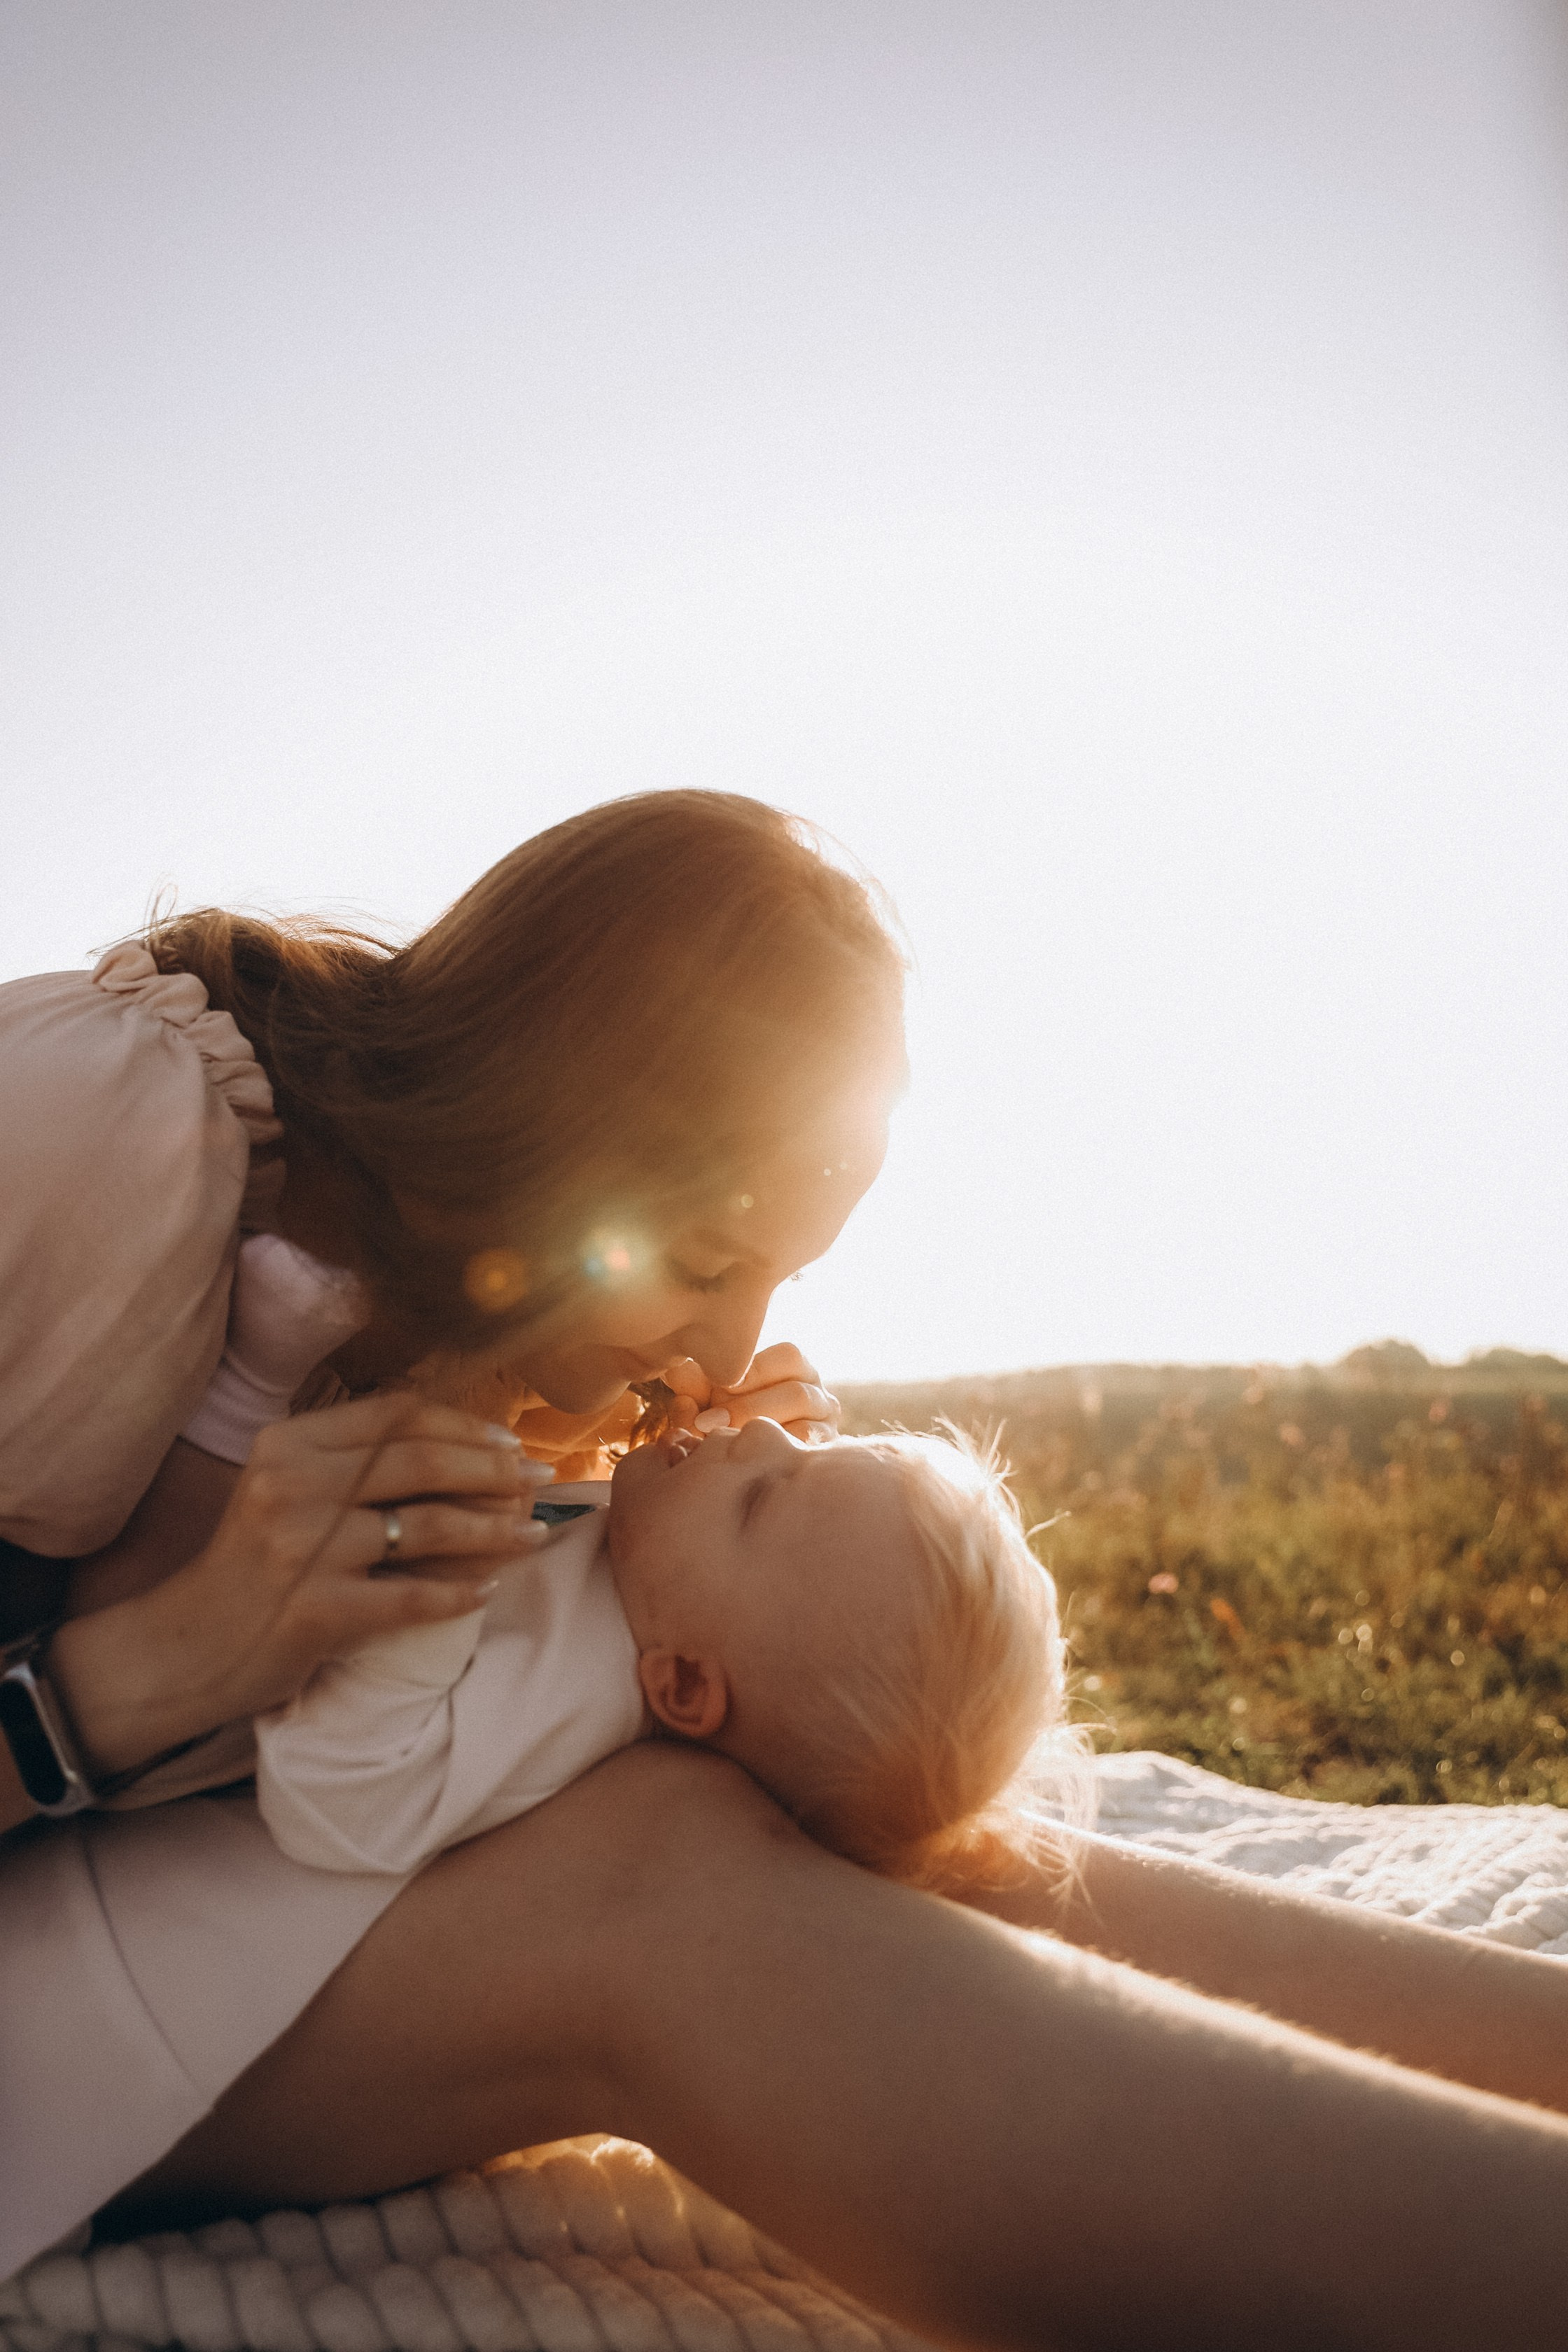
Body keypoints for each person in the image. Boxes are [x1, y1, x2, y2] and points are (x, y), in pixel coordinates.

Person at [4, 790, 1568, 2351]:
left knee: (867, 1801)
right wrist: (153, 1671)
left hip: (180, 1890)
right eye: (702, 1262)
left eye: (775, 1277)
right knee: (662, 1895)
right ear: (553, 1127)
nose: (730, 1350)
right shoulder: (91, 1135)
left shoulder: (465, 1290)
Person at [253, 1414, 1069, 1884]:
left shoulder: (574, 1691)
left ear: (680, 1685)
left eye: (757, 1498)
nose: (762, 1430)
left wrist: (436, 1589)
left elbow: (339, 1801)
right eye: (810, 1445)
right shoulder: (652, 1580)